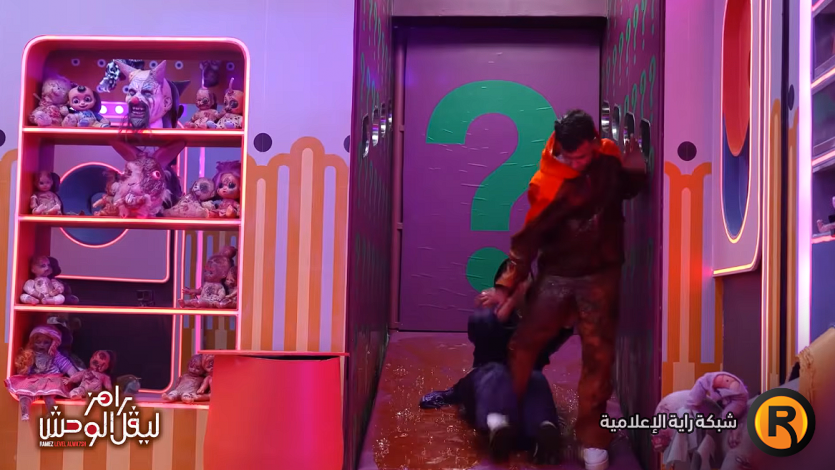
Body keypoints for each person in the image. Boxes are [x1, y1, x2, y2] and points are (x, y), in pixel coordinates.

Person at [489, 109, 647, 470]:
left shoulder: (607, 156)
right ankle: (505, 414)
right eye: (569, 157)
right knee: (524, 343)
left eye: (583, 156)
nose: (576, 164)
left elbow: (625, 187)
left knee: (599, 356)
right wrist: (507, 284)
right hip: (558, 273)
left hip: (602, 273)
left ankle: (591, 438)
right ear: (559, 148)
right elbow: (527, 239)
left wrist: (636, 165)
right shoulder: (546, 182)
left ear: (594, 142)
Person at [420, 259, 575, 464]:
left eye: (524, 283)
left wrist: (566, 323)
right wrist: (450, 395)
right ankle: (498, 426)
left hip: (522, 390)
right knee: (495, 373)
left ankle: (544, 430)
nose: (520, 289)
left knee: (536, 378)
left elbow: (553, 338)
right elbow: (480, 330)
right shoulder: (489, 315)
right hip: (488, 390)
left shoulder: (538, 323)